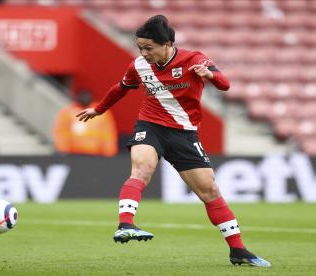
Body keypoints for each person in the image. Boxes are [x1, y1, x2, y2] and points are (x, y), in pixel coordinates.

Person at [76, 15, 271, 267]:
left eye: (149, 48)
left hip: (183, 133)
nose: (143, 53)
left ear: (167, 43)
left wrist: (210, 76)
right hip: (150, 126)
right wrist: (99, 109)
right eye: (140, 48)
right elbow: (121, 88)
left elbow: (225, 84)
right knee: (142, 169)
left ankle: (238, 250)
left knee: (209, 191)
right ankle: (125, 224)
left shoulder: (194, 59)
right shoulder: (139, 66)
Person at [54, 90, 118, 157]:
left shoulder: (102, 112)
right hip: (73, 154)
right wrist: (63, 150)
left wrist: (109, 152)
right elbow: (61, 132)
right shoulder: (67, 112)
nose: (85, 99)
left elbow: (108, 134)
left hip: (96, 154)